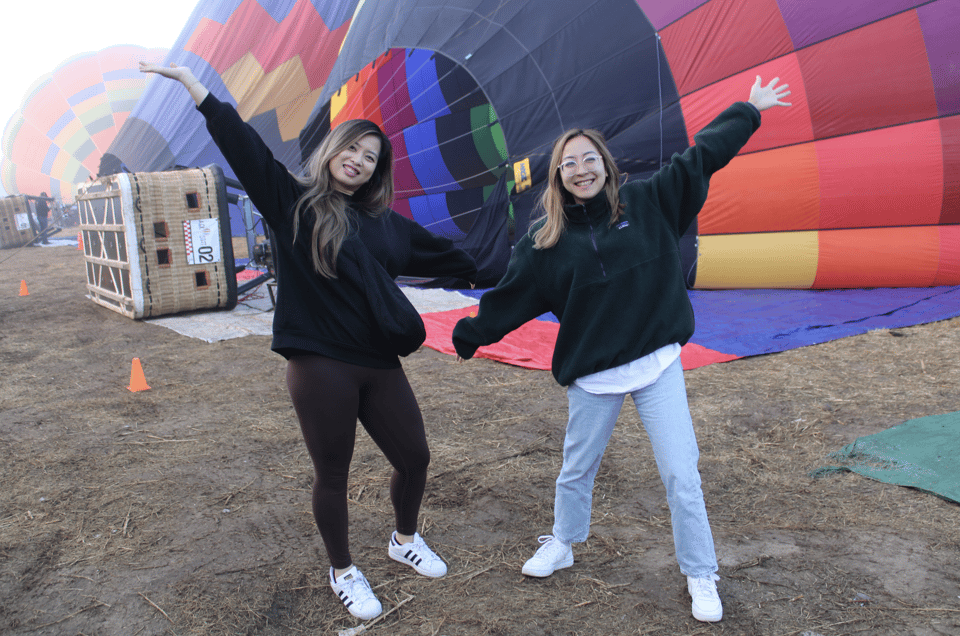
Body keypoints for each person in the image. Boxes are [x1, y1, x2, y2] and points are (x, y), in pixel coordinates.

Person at [140, 61, 479, 621]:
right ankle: (343, 569)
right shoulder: (294, 203)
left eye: (371, 158)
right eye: (352, 149)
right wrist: (197, 89)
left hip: (378, 362)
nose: (359, 161)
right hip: (320, 363)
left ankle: (403, 538)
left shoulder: (389, 225)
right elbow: (244, 146)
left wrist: (525, 262)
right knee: (334, 473)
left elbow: (453, 257)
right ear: (333, 150)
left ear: (376, 172)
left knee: (415, 456)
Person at [453, 76, 791, 623]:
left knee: (682, 473)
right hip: (595, 376)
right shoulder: (544, 241)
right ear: (558, 177)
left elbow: (701, 157)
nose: (581, 170)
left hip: (656, 365)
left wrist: (748, 110)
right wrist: (468, 335)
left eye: (589, 159)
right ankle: (562, 543)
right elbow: (508, 300)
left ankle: (700, 573)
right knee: (575, 470)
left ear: (606, 165)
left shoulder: (650, 201)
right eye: (569, 164)